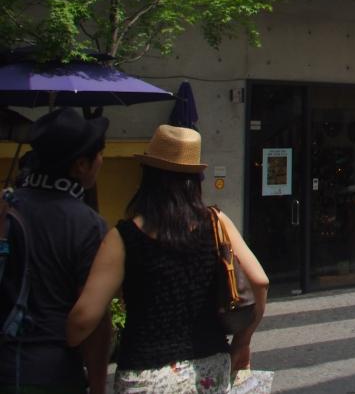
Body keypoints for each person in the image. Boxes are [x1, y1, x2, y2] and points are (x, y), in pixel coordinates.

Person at [68, 125, 269, 393]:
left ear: (148, 177)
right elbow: (260, 281)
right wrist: (242, 342)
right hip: (209, 368)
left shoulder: (125, 236)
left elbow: (85, 317)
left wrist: (58, 342)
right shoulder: (216, 222)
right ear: (196, 179)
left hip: (146, 373)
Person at [0, 108, 111, 394]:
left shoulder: (7, 208)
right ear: (81, 165)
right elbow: (94, 319)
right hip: (54, 371)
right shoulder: (88, 225)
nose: (102, 161)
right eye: (99, 154)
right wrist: (98, 385)